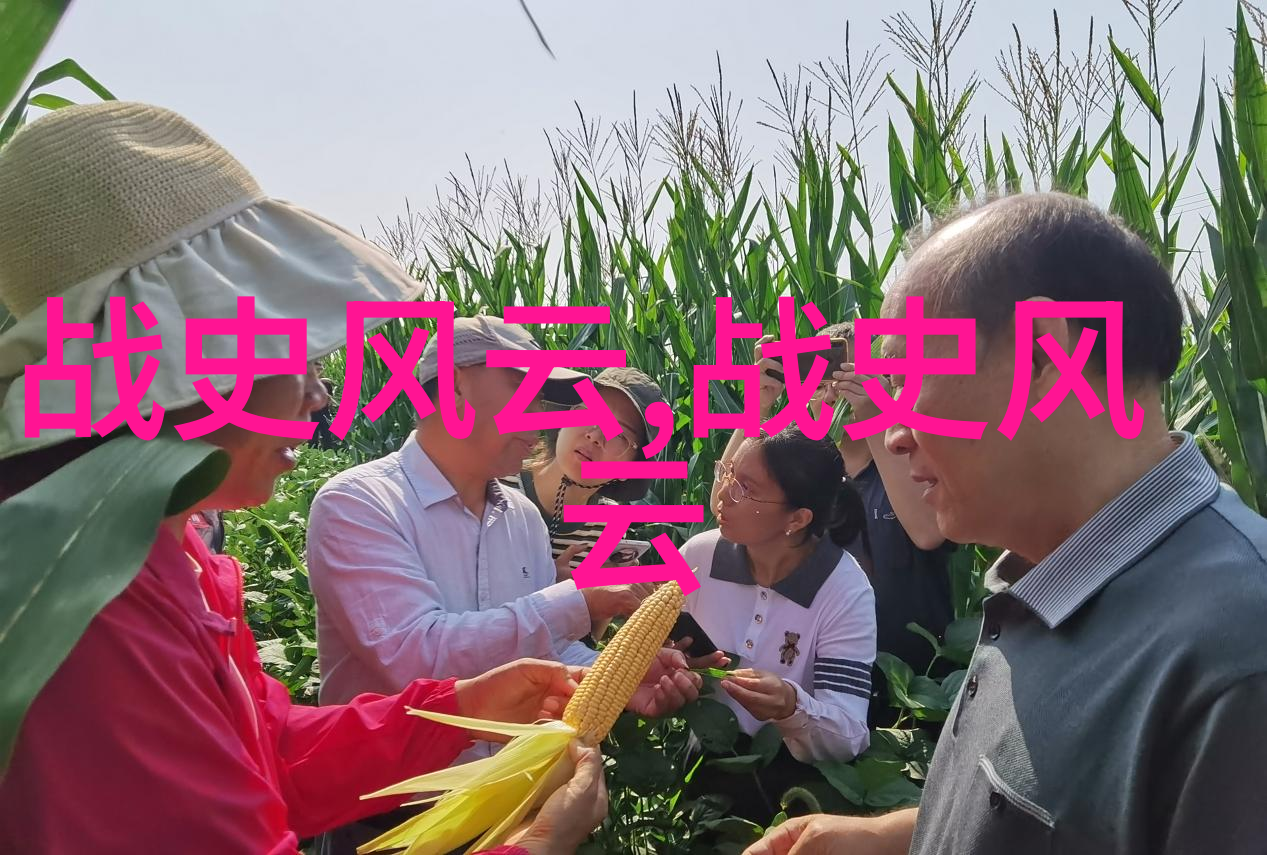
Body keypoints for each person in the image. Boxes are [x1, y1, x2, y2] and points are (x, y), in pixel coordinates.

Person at [0, 102, 611, 855]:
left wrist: (459, 706)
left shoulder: (164, 550)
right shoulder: (83, 595)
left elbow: (267, 752)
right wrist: (537, 844)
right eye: (299, 358)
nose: (320, 395)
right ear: (191, 357)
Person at [744, 193, 1267, 855]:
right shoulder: (1049, 573)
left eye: (908, 376)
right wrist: (891, 837)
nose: (894, 432)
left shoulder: (1237, 665)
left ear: (1045, 356)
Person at [306, 316, 706, 853]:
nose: (544, 415)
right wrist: (579, 599)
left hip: (503, 807)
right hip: (388, 817)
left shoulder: (522, 517)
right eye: (526, 390)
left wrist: (615, 673)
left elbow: (545, 649)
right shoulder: (359, 504)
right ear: (456, 387)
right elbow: (414, 657)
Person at [715, 328, 954, 726]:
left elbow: (928, 533)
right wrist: (757, 407)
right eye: (820, 380)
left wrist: (877, 417)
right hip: (820, 693)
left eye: (850, 375)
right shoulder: (802, 484)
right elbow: (725, 507)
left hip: (912, 694)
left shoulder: (915, 459)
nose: (832, 393)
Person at [682, 426, 875, 822]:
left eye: (746, 488)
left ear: (797, 518)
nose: (724, 494)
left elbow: (850, 733)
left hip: (791, 789)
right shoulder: (699, 555)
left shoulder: (844, 590)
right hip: (703, 759)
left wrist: (790, 706)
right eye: (728, 473)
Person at [499, 366, 666, 641]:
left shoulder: (608, 527)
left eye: (619, 435)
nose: (596, 435)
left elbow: (588, 640)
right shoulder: (499, 482)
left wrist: (606, 599)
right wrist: (551, 589)